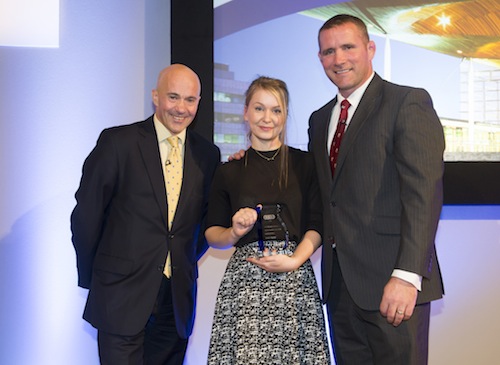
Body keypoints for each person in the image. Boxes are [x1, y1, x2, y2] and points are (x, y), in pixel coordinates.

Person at [308, 14, 445, 365]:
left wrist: (406, 276)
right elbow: (323, 193)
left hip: (394, 285)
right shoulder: (320, 119)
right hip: (340, 289)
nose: (338, 59)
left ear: (370, 48)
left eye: (348, 47)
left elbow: (423, 194)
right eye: (328, 51)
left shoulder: (407, 103)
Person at [71, 63, 220, 364]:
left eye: (190, 100)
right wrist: (97, 277)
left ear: (199, 103)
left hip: (175, 303)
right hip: (120, 298)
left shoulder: (208, 154)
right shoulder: (118, 143)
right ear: (156, 96)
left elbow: (205, 222)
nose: (181, 108)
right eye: (173, 97)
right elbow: (86, 217)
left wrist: (184, 256)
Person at [205, 76, 331, 365]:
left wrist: (295, 260)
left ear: (285, 116)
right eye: (259, 108)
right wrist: (234, 231)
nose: (267, 118)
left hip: (295, 281)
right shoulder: (229, 171)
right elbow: (212, 233)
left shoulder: (306, 164)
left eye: (276, 110)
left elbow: (317, 223)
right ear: (246, 112)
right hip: (246, 285)